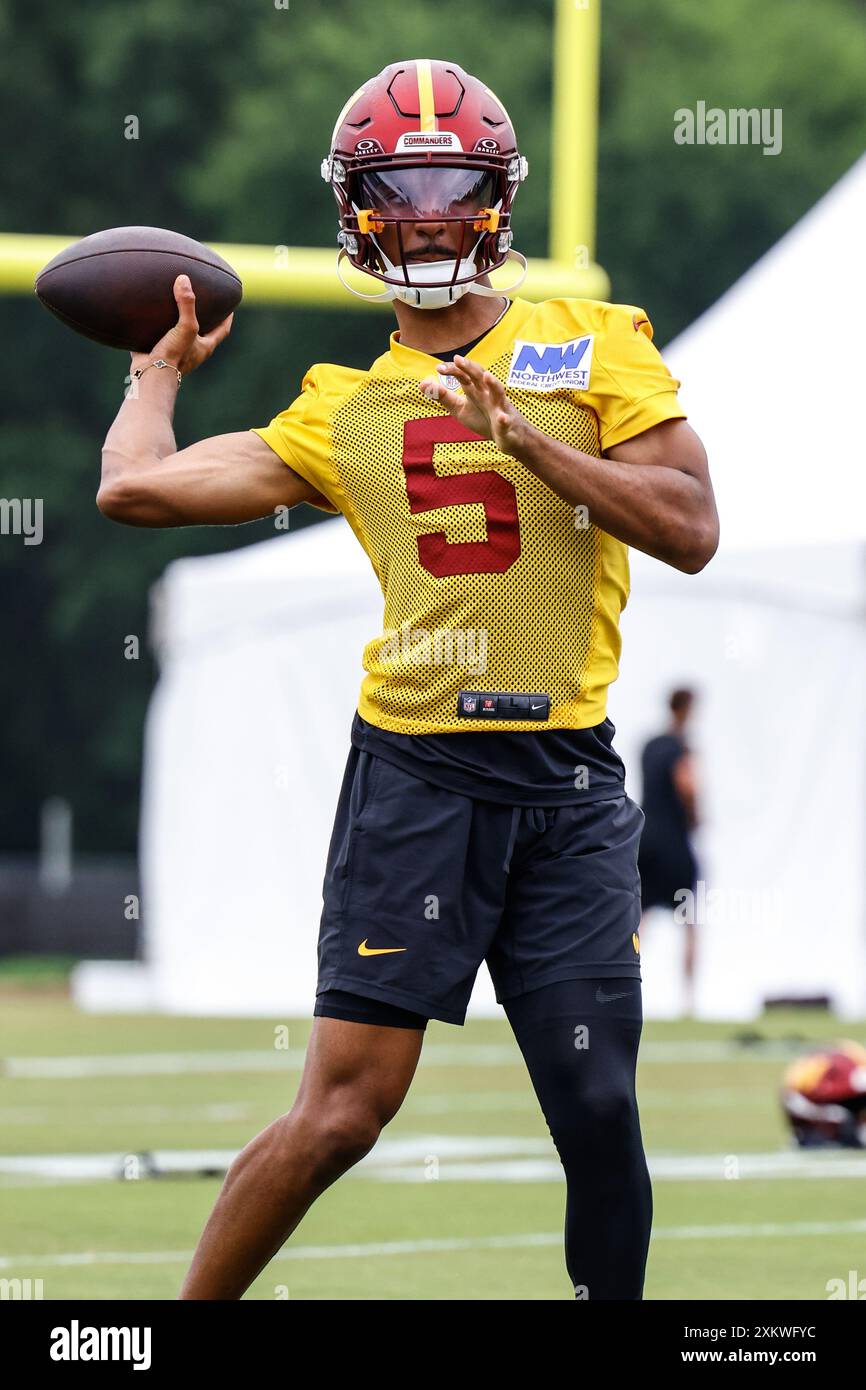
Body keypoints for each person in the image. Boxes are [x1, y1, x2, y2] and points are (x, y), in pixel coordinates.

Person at [96, 60, 719, 1300]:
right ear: (357, 205)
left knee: (598, 1106)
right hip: (418, 779)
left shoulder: (597, 343)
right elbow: (133, 488)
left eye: (450, 188)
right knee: (342, 1115)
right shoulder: (339, 408)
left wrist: (527, 442)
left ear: (492, 200)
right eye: (401, 189)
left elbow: (690, 526)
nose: (428, 216)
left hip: (566, 780)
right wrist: (157, 368)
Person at [638, 688, 701, 1016]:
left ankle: (622, 989)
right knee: (690, 919)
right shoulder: (681, 747)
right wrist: (695, 816)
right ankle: (688, 1001)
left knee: (637, 918)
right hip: (674, 843)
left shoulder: (648, 746)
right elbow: (688, 786)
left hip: (645, 839)